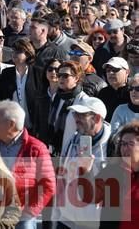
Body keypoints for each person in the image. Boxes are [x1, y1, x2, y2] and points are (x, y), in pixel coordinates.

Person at [0, 101, 55, 229]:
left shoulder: (36, 148)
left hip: (22, 219)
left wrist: (29, 212)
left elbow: (48, 185)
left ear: (11, 124)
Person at [53, 96, 111, 229]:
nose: (76, 119)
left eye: (81, 115)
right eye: (75, 114)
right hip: (66, 220)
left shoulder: (112, 145)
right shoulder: (72, 140)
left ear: (97, 118)